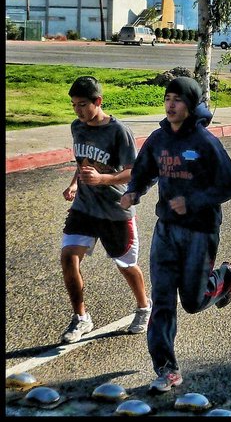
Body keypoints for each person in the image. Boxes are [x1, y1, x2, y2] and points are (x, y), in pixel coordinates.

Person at [119, 77, 231, 393]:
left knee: (191, 300)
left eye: (177, 99)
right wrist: (134, 192)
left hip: (200, 231)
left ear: (190, 105)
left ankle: (223, 278)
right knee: (161, 300)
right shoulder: (159, 139)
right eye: (167, 98)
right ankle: (166, 369)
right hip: (166, 230)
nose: (171, 105)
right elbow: (142, 172)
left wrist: (193, 201)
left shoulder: (205, 142)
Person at [60, 76, 151, 345]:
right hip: (85, 207)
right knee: (68, 257)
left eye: (82, 105)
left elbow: (134, 171)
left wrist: (103, 180)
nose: (78, 111)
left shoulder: (119, 132)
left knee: (126, 265)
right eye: (74, 105)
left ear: (98, 102)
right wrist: (75, 184)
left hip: (114, 210)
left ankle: (144, 307)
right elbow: (83, 162)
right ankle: (81, 318)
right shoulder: (77, 127)